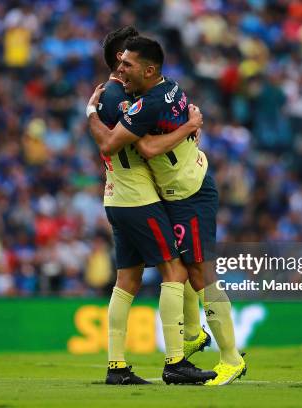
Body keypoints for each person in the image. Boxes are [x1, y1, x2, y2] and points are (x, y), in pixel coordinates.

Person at [87, 36, 246, 385]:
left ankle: (227, 357)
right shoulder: (161, 90)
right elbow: (138, 144)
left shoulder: (141, 100)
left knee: (196, 272)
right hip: (167, 193)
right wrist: (189, 128)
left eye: (130, 63)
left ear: (149, 68)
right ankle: (189, 343)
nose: (124, 68)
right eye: (122, 61)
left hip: (185, 193)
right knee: (183, 269)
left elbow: (139, 145)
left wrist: (90, 114)